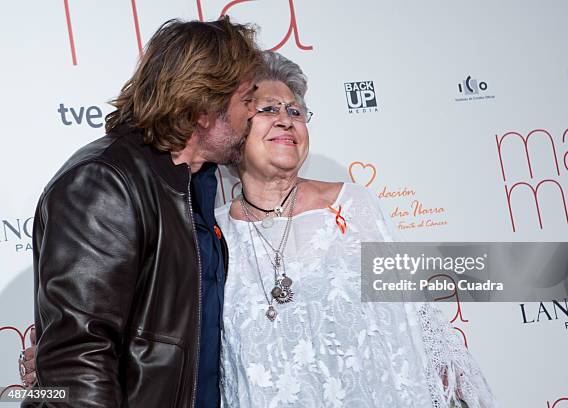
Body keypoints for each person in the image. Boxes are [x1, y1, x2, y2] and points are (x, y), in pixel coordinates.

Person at [214, 51, 498, 407]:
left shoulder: (352, 207)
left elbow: (418, 327)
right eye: (268, 109)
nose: (286, 120)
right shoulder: (215, 232)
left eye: (296, 112)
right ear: (236, 128)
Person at [20, 17, 263, 408]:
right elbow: (77, 362)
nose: (253, 114)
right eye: (246, 100)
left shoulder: (196, 185)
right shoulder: (103, 183)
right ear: (204, 107)